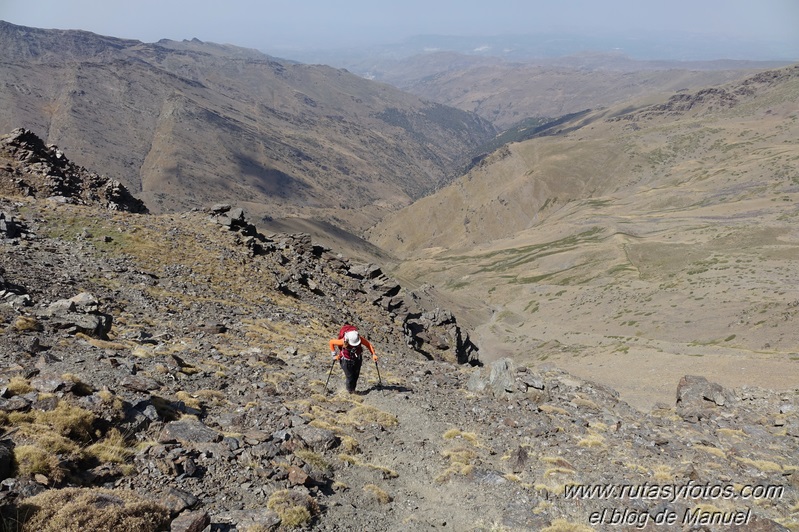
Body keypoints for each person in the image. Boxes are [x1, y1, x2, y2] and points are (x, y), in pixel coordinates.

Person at [329, 327, 377, 394]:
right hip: (346, 361)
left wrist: (373, 354)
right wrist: (334, 355)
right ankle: (350, 392)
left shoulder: (359, 339)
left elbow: (368, 345)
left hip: (357, 359)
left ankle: (353, 390)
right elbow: (331, 342)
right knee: (350, 377)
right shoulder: (343, 341)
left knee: (355, 376)